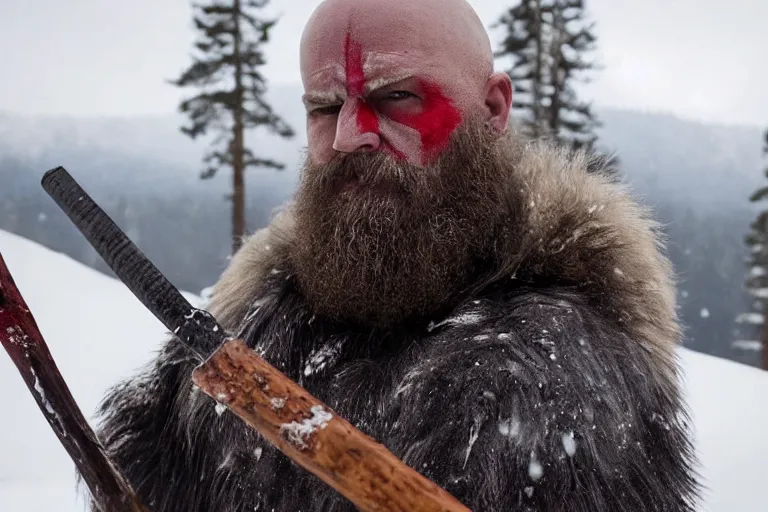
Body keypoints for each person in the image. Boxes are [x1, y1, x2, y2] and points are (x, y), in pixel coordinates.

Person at [91, 0, 700, 510]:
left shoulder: (567, 363)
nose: (350, 134)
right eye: (325, 107)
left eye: (400, 96)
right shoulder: (258, 317)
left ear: (491, 109)